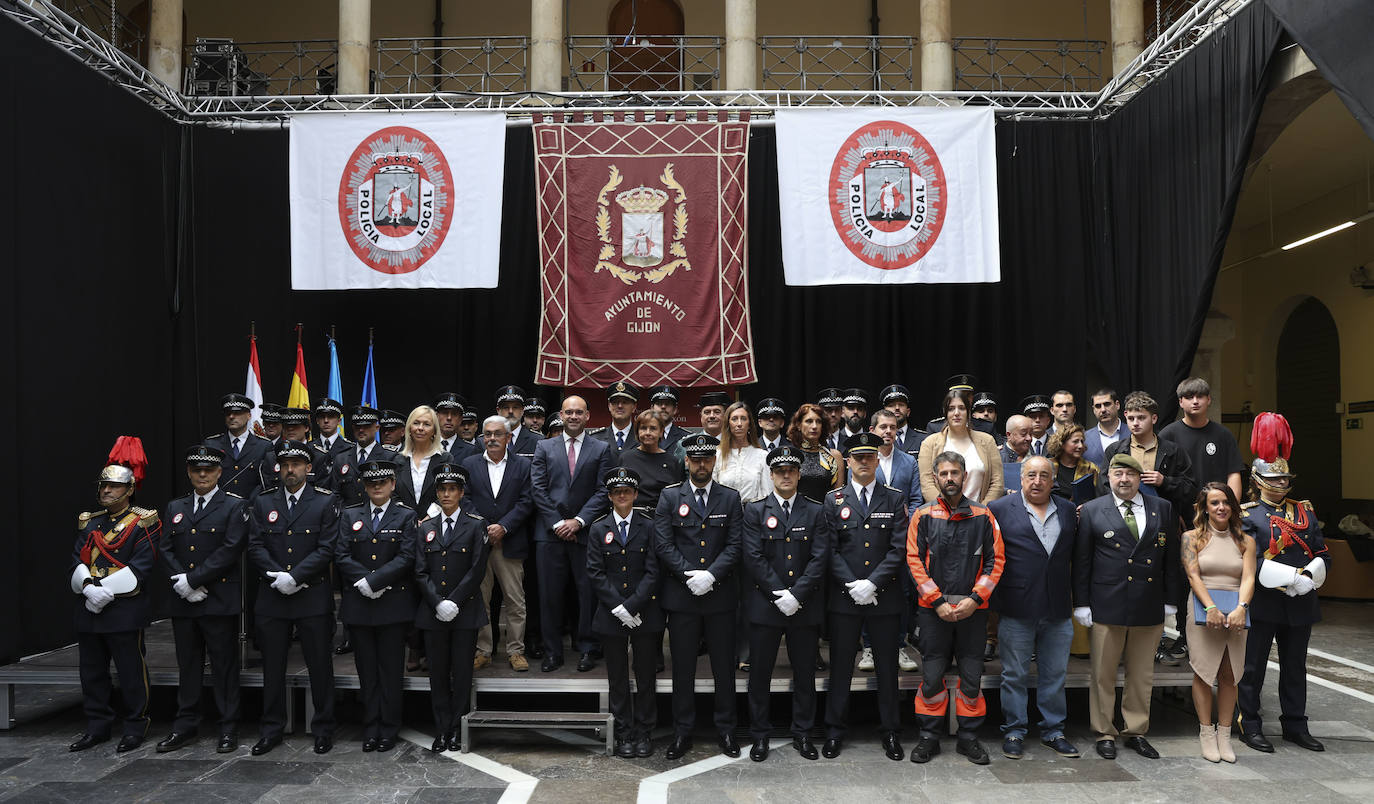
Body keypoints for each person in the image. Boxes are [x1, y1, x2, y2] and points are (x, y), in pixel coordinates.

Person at [1072, 453, 1181, 761]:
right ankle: (1104, 731)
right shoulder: (1093, 510)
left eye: (1130, 475)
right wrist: (1082, 604)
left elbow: (1171, 559)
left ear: (1139, 478)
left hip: (1148, 601)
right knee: (1103, 673)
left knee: (1141, 673)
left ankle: (1136, 730)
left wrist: (1170, 599)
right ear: (1109, 478)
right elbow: (1082, 562)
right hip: (1107, 602)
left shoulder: (1162, 508)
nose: (1123, 480)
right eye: (1118, 474)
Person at [1237, 412, 1331, 754]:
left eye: (1284, 479)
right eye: (1274, 479)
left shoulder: (1304, 511)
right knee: (1253, 667)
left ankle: (1295, 724)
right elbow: (1250, 559)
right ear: (1258, 480)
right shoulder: (1247, 514)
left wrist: (1310, 576)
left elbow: (1322, 551)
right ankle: (1249, 723)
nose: (1281, 484)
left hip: (1302, 600)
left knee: (1295, 666)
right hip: (1266, 600)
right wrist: (1287, 578)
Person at [907, 450, 1004, 765]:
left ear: (965, 476)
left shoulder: (983, 515)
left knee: (971, 676)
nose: (950, 479)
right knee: (932, 676)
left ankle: (969, 738)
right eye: (944, 473)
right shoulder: (921, 516)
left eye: (955, 473)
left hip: (972, 611)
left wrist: (974, 600)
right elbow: (914, 561)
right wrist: (937, 602)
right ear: (936, 477)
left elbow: (996, 561)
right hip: (933, 612)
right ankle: (928, 738)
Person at [247, 440, 340, 755]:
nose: (290, 469)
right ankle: (271, 729)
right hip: (273, 595)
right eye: (285, 464)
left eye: (297, 464)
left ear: (308, 468)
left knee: (319, 666)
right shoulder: (262, 502)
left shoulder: (325, 502)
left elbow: (327, 547)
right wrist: (279, 577)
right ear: (278, 468)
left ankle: (324, 728)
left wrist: (296, 577)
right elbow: (255, 545)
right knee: (273, 667)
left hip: (311, 595)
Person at [654, 434, 743, 760]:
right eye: (696, 459)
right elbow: (663, 545)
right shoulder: (669, 497)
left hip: (719, 595)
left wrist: (711, 575)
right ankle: (682, 731)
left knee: (723, 668)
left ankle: (726, 730)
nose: (702, 464)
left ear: (713, 462)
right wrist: (691, 576)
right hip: (682, 595)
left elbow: (735, 545)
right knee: (683, 669)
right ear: (687, 462)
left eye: (707, 459)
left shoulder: (729, 498)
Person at [823, 433, 911, 761]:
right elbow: (829, 551)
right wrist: (853, 584)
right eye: (857, 457)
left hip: (883, 597)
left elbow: (898, 547)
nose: (863, 462)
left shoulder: (893, 498)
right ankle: (834, 730)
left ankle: (890, 731)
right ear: (847, 461)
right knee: (842, 667)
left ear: (877, 460)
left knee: (887, 668)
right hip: (845, 599)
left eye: (869, 456)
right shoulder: (834, 500)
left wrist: (872, 583)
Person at [68, 443, 160, 753]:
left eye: (114, 486)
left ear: (129, 489)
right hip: (89, 606)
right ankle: (97, 726)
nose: (106, 491)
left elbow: (143, 565)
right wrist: (89, 588)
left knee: (131, 672)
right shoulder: (91, 521)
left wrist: (106, 592)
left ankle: (135, 726)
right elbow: (76, 560)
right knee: (92, 673)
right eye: (104, 485)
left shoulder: (144, 521)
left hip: (123, 608)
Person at [155, 445, 247, 755]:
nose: (203, 474)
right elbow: (165, 548)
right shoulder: (175, 506)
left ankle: (228, 727)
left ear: (220, 472)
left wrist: (194, 580)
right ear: (189, 473)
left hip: (217, 598)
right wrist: (182, 583)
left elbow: (230, 549)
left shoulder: (234, 506)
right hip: (183, 599)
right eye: (197, 470)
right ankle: (185, 726)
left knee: (224, 667)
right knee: (188, 666)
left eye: (208, 470)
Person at [742, 446, 831, 762]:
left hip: (803, 606)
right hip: (767, 605)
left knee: (805, 675)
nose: (785, 475)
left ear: (798, 474)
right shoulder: (754, 510)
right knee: (759, 676)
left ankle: (803, 733)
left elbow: (820, 557)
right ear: (771, 474)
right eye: (779, 471)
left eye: (790, 470)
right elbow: (752, 557)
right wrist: (781, 594)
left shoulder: (816, 510)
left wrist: (798, 594)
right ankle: (760, 735)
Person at [988, 456, 1081, 760]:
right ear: (1021, 479)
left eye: (1044, 475)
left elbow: (1076, 559)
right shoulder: (1000, 510)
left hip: (1057, 606)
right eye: (1031, 475)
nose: (1037, 481)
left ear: (1053, 480)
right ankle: (1014, 730)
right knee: (1013, 674)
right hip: (1016, 606)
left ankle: (1053, 730)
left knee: (1054, 674)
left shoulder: (1068, 511)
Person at [334, 460, 418, 752]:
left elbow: (407, 556)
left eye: (382, 482)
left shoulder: (406, 515)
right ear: (365, 486)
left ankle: (389, 729)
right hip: (360, 603)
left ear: (393, 484)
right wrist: (365, 581)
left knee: (391, 672)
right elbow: (341, 554)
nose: (377, 487)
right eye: (371, 483)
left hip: (392, 604)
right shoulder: (349, 515)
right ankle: (371, 727)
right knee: (367, 672)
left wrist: (377, 581)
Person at [530, 395, 615, 672]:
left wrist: (578, 521)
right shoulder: (544, 447)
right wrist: (557, 523)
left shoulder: (601, 448)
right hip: (549, 534)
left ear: (588, 416)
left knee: (588, 594)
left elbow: (604, 490)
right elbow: (538, 489)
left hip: (585, 532)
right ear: (562, 415)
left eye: (579, 412)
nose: (574, 417)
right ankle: (552, 652)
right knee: (550, 596)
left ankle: (589, 648)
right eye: (569, 412)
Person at [586, 467, 664, 759]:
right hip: (611, 613)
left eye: (627, 492)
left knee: (645, 676)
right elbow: (595, 572)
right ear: (609, 496)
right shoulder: (598, 528)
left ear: (635, 494)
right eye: (616, 492)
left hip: (644, 612)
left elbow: (654, 570)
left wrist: (633, 606)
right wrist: (618, 607)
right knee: (617, 677)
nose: (622, 496)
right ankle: (623, 732)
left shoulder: (649, 525)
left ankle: (644, 731)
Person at [414, 463, 490, 753]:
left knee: (461, 673)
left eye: (452, 489)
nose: (447, 494)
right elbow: (419, 571)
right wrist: (437, 602)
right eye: (442, 490)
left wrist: (454, 602)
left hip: (465, 610)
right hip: (433, 612)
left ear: (461, 493)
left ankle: (457, 729)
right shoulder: (426, 528)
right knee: (437, 673)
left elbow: (476, 569)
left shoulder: (474, 524)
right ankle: (441, 728)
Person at [1183, 482, 1256, 763]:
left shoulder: (1245, 541)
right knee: (1203, 673)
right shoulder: (1192, 538)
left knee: (1230, 674)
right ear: (1205, 507)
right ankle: (1206, 733)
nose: (1221, 507)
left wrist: (1241, 608)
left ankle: (1225, 735)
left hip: (1237, 611)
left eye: (1225, 502)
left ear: (1233, 506)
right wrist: (1210, 607)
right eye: (1214, 503)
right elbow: (1193, 575)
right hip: (1203, 610)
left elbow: (1248, 577)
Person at [463, 416, 534, 672]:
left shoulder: (523, 466)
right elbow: (465, 498)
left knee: (515, 601)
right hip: (480, 543)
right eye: (487, 434)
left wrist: (504, 526)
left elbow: (527, 501)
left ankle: (516, 651)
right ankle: (484, 650)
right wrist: (484, 526)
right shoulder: (469, 464)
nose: (491, 438)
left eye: (497, 434)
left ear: (508, 438)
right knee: (480, 600)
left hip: (510, 542)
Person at [1161, 378, 1245, 503]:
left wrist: (1232, 508)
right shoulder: (1168, 435)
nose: (1195, 401)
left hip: (1217, 509)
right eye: (1189, 397)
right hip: (1181, 510)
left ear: (1209, 400)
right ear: (1180, 402)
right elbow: (1161, 479)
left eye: (1200, 396)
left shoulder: (1224, 435)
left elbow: (1233, 474)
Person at [918, 389, 1004, 505]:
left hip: (980, 516)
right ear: (945, 413)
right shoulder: (929, 443)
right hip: (942, 517)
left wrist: (981, 511)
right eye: (951, 409)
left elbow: (997, 482)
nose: (956, 413)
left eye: (962, 408)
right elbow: (927, 483)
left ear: (968, 412)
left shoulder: (987, 441)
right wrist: (945, 510)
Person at [204, 393, 274, 497]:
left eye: (237, 413)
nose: (231, 416)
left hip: (252, 507)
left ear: (249, 416)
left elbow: (266, 483)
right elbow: (205, 478)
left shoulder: (263, 446)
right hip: (219, 507)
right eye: (228, 413)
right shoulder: (212, 444)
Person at [619, 410, 686, 512]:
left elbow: (677, 496)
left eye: (653, 428)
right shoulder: (626, 458)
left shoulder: (672, 461)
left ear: (661, 432)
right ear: (637, 431)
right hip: (634, 518)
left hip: (663, 518)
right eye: (643, 428)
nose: (648, 433)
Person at [396, 405, 452, 515]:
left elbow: (448, 491)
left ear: (435, 431)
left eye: (426, 424)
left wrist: (429, 517)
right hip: (402, 523)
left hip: (435, 524)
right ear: (409, 429)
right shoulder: (397, 459)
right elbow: (392, 494)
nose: (420, 428)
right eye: (416, 423)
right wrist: (406, 517)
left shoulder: (445, 459)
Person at [714, 400, 772, 503]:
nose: (739, 424)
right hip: (725, 513)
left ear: (749, 424)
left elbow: (767, 494)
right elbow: (712, 492)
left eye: (743, 419)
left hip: (753, 514)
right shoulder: (718, 455)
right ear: (728, 424)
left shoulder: (762, 456)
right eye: (734, 419)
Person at [789, 403, 843, 503]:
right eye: (809, 421)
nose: (814, 426)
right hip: (796, 515)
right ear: (798, 425)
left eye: (818, 422)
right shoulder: (790, 455)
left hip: (825, 515)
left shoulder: (834, 456)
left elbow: (838, 499)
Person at [1046, 423, 1099, 505]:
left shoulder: (1091, 469)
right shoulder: (1047, 466)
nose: (1080, 446)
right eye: (1075, 441)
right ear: (1062, 444)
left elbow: (1099, 497)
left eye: (1082, 441)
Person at [592, 381, 639, 459]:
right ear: (609, 406)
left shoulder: (642, 437)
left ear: (634, 407)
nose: (620, 406)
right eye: (615, 402)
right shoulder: (596, 438)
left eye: (625, 402)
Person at [496, 385, 541, 459]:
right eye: (506, 407)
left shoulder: (538, 440)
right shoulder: (484, 441)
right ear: (498, 410)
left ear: (523, 410)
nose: (510, 411)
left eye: (515, 407)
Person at [1082, 388, 1124, 470]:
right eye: (1098, 406)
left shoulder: (1132, 433)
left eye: (1107, 404)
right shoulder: (1084, 438)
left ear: (1117, 405)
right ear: (1093, 410)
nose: (1103, 410)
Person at [434, 392, 478, 460]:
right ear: (436, 416)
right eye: (445, 413)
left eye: (454, 414)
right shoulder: (426, 445)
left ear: (461, 419)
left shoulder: (471, 450)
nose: (449, 418)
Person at [312, 397, 354, 462]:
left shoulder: (350, 448)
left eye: (330, 416)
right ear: (317, 421)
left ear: (339, 421)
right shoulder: (309, 448)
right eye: (322, 417)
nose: (326, 420)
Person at [649, 386, 689, 452]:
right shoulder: (642, 435)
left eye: (668, 404)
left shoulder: (686, 437)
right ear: (652, 408)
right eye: (659, 404)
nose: (663, 407)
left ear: (675, 409)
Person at [878, 384, 915, 451]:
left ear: (908, 411)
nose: (897, 408)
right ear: (884, 412)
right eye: (891, 405)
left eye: (901, 405)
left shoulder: (922, 438)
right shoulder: (876, 439)